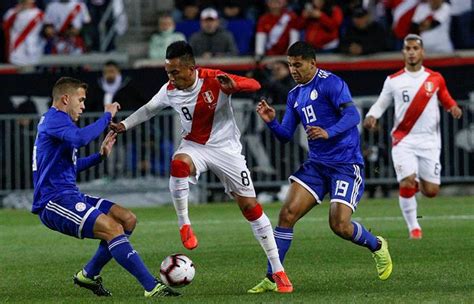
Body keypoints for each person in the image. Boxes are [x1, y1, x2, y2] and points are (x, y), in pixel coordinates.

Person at [109, 41, 293, 293]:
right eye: (168, 72)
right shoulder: (169, 89)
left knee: (250, 207)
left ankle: (279, 272)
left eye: (175, 72)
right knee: (178, 164)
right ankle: (184, 224)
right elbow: (149, 109)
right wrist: (124, 125)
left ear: (191, 68)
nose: (171, 77)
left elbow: (256, 85)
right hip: (195, 146)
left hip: (227, 150)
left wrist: (236, 85)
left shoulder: (215, 79)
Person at [248, 41, 393, 293]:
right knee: (286, 215)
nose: (293, 70)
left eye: (298, 64)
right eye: (290, 65)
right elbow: (285, 135)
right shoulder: (295, 95)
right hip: (316, 165)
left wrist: (328, 131)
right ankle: (273, 277)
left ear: (312, 63)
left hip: (345, 164)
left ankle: (377, 245)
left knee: (339, 225)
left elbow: (352, 116)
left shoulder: (331, 83)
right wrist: (271, 122)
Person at [32, 77, 179, 298]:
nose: (83, 105)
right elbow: (80, 138)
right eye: (80, 100)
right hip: (53, 202)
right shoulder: (54, 119)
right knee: (113, 229)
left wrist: (99, 157)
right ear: (65, 98)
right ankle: (152, 287)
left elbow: (70, 167)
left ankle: (88, 275)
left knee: (127, 219)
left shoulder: (60, 123)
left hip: (69, 194)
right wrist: (107, 115)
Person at [363, 34, 462, 239]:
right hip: (403, 140)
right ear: (403, 52)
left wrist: (452, 107)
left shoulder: (435, 78)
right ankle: (414, 228)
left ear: (422, 51)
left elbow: (446, 98)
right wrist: (372, 115)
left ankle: (417, 184)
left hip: (430, 142)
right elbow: (381, 103)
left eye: (415, 48)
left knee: (431, 190)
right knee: (407, 181)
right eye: (408, 48)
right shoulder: (393, 81)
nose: (411, 52)